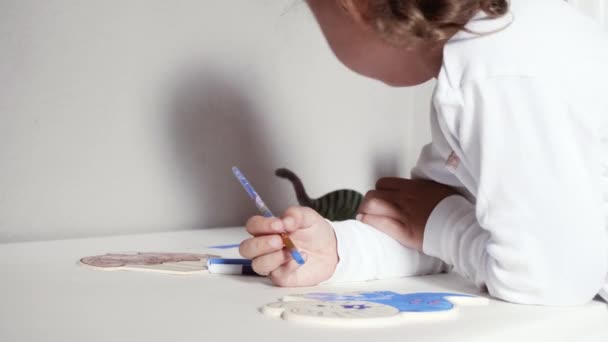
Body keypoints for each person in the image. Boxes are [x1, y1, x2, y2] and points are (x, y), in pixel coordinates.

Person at [239, 0, 608, 305]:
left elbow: (547, 278)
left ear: (355, 8)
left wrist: (442, 224)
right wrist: (339, 251)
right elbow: (419, 225)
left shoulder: (495, 72)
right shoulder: (490, 49)